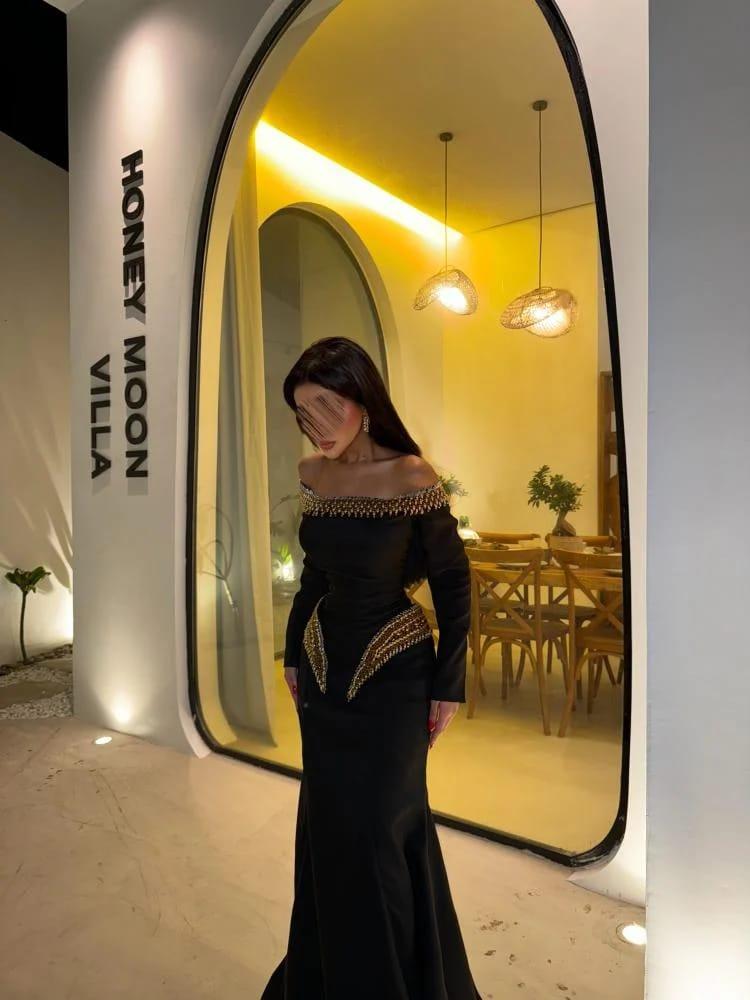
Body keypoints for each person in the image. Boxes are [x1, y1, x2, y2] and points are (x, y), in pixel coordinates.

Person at [261, 336, 482, 999]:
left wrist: (448, 685)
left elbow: (453, 583)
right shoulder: (313, 474)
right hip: (323, 676)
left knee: (382, 831)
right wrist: (294, 653)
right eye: (304, 412)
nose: (316, 425)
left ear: (363, 400)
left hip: (396, 679)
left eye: (327, 407)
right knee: (328, 828)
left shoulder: (412, 476)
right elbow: (314, 577)